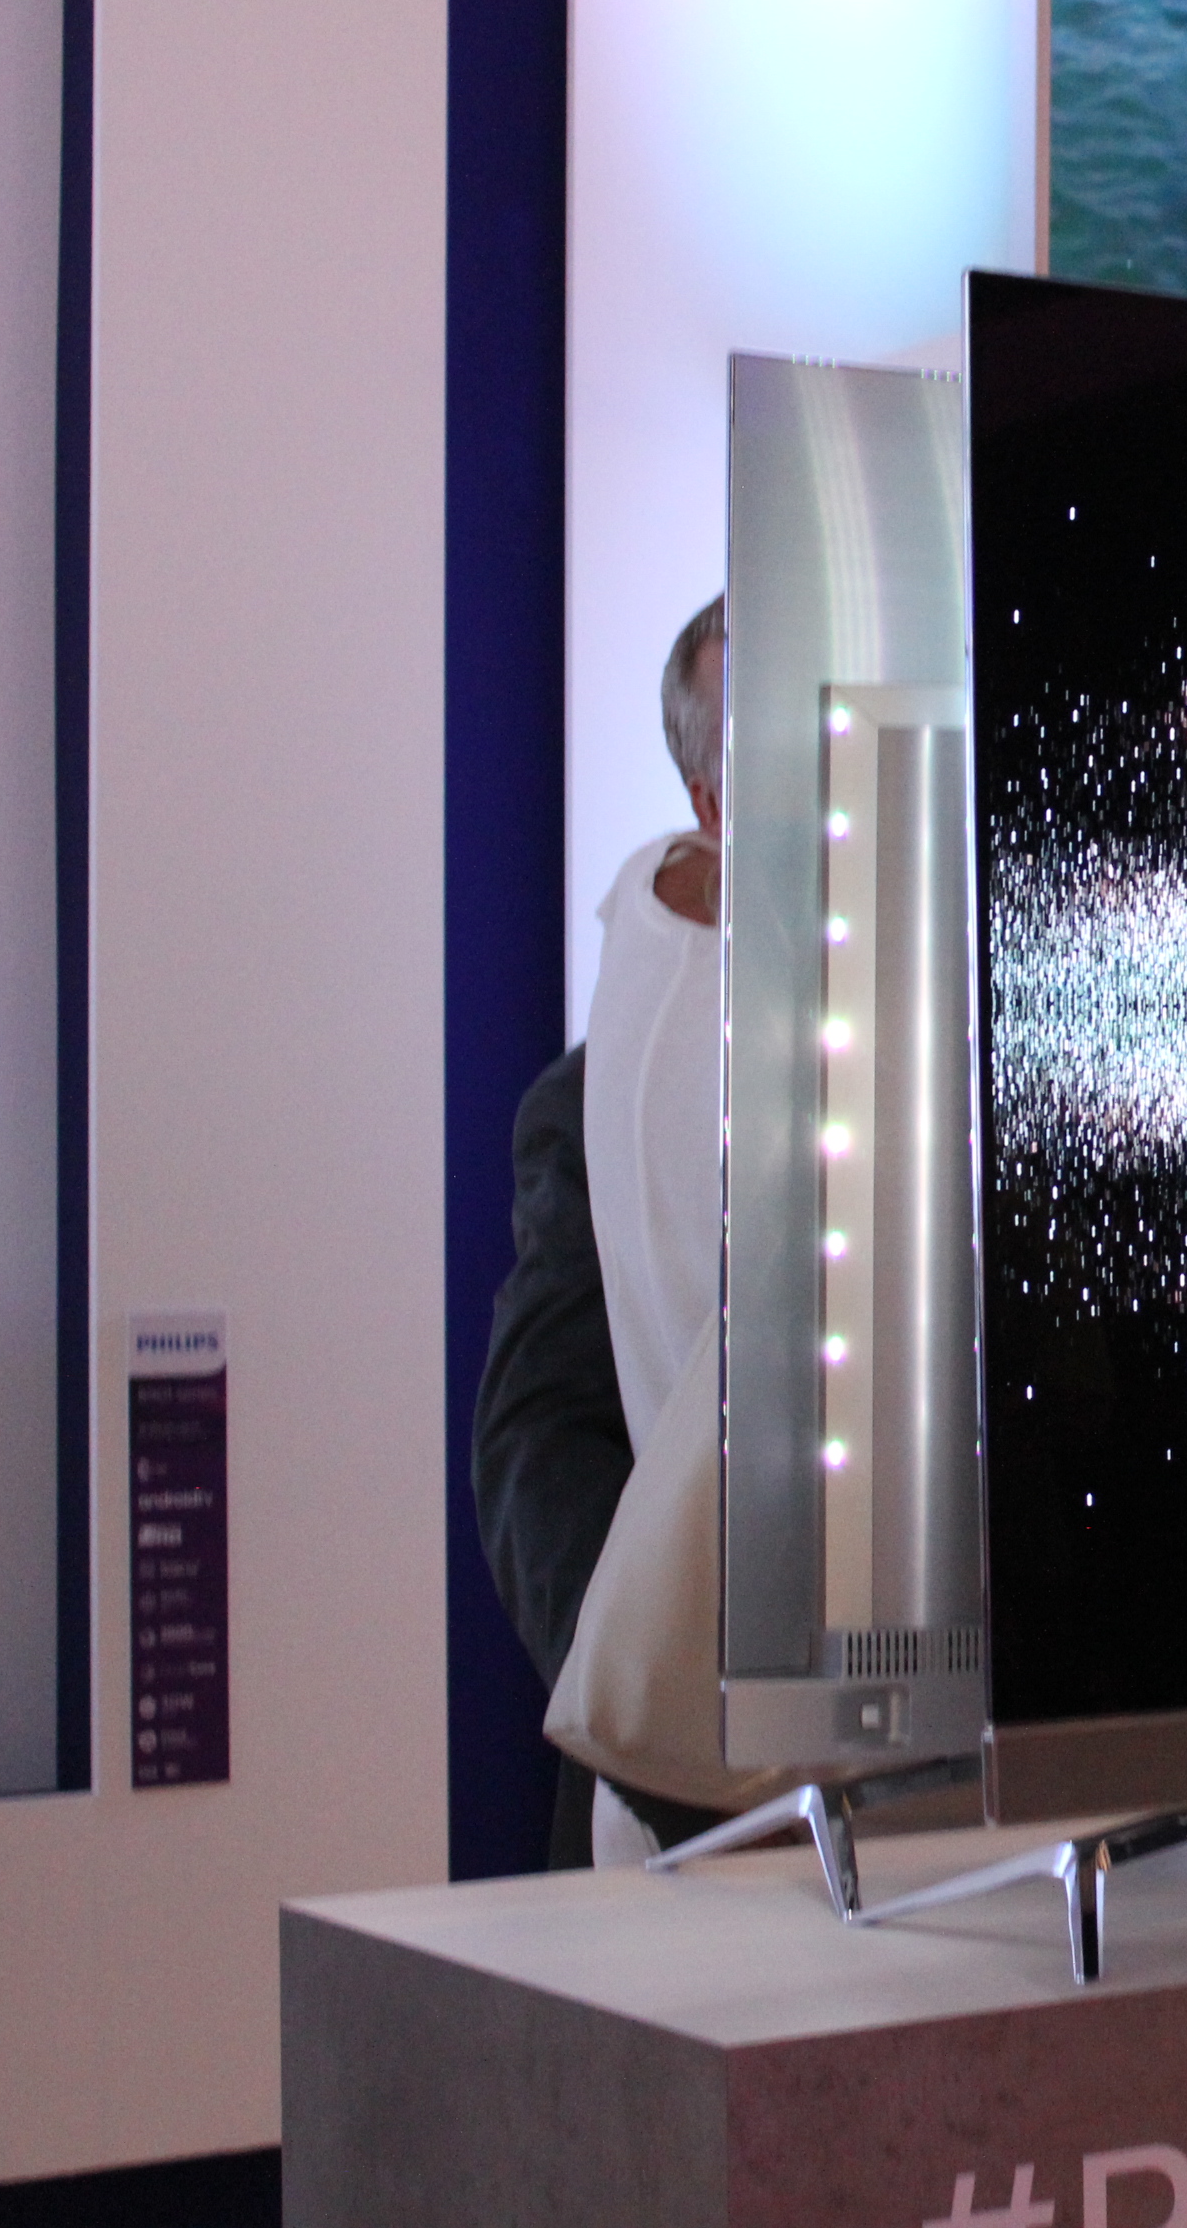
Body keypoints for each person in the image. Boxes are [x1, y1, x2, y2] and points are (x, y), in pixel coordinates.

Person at [474, 596, 730, 1865]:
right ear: (706, 798)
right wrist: (687, 1758)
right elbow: (538, 1445)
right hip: (699, 1816)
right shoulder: (593, 1109)